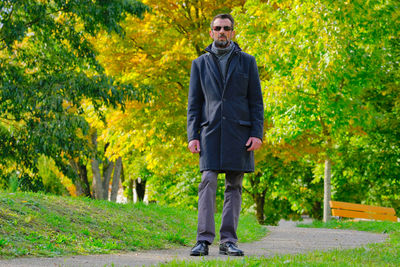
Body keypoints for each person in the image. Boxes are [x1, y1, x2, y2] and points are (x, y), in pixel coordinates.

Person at [187, 13, 264, 257]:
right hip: (209, 132)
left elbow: (256, 102)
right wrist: (193, 135)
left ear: (232, 32)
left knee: (234, 185)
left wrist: (257, 133)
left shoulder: (248, 62)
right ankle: (203, 240)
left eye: (226, 28)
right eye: (218, 28)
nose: (222, 31)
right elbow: (194, 104)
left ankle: (228, 240)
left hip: (238, 133)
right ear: (211, 32)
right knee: (208, 181)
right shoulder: (199, 64)